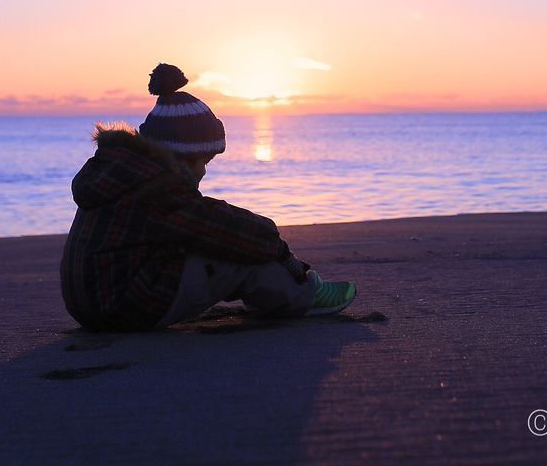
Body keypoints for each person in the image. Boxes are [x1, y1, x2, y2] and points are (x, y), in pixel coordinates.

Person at [60, 63, 356, 330]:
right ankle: (304, 295)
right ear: (180, 155)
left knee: (213, 244)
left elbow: (197, 221)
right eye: (203, 161)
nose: (204, 171)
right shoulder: (158, 187)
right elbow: (225, 228)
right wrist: (282, 253)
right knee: (236, 252)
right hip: (124, 306)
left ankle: (271, 295)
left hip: (92, 303)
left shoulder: (121, 172)